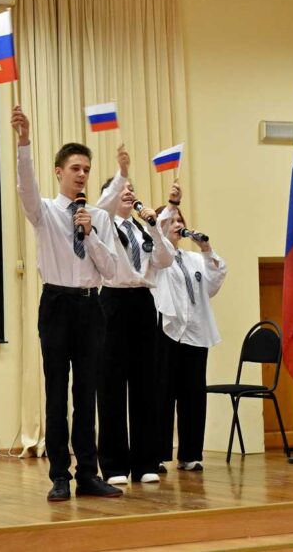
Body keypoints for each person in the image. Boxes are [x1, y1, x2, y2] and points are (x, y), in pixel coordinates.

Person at [11, 106, 123, 502]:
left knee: (87, 393)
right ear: (59, 172)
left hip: (92, 307)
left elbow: (110, 269)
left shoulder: (97, 217)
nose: (81, 175)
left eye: (86, 170)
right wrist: (24, 143)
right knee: (57, 392)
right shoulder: (45, 213)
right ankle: (59, 474)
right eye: (75, 168)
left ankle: (88, 474)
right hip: (57, 304)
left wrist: (90, 234)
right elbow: (25, 187)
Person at [95, 146, 178, 485]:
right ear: (111, 194)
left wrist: (156, 227)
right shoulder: (101, 222)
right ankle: (114, 465)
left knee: (147, 383)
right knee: (111, 383)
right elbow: (101, 206)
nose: (129, 194)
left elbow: (165, 260)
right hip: (112, 301)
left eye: (132, 191)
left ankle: (146, 460)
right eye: (123, 190)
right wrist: (122, 173)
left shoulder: (143, 229)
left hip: (143, 302)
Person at [152, 204, 227, 472]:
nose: (176, 224)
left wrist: (206, 249)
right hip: (168, 331)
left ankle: (191, 454)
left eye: (179, 220)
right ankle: (158, 454)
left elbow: (213, 284)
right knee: (163, 393)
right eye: (171, 220)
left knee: (193, 395)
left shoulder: (193, 259)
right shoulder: (158, 257)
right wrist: (164, 215)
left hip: (195, 332)